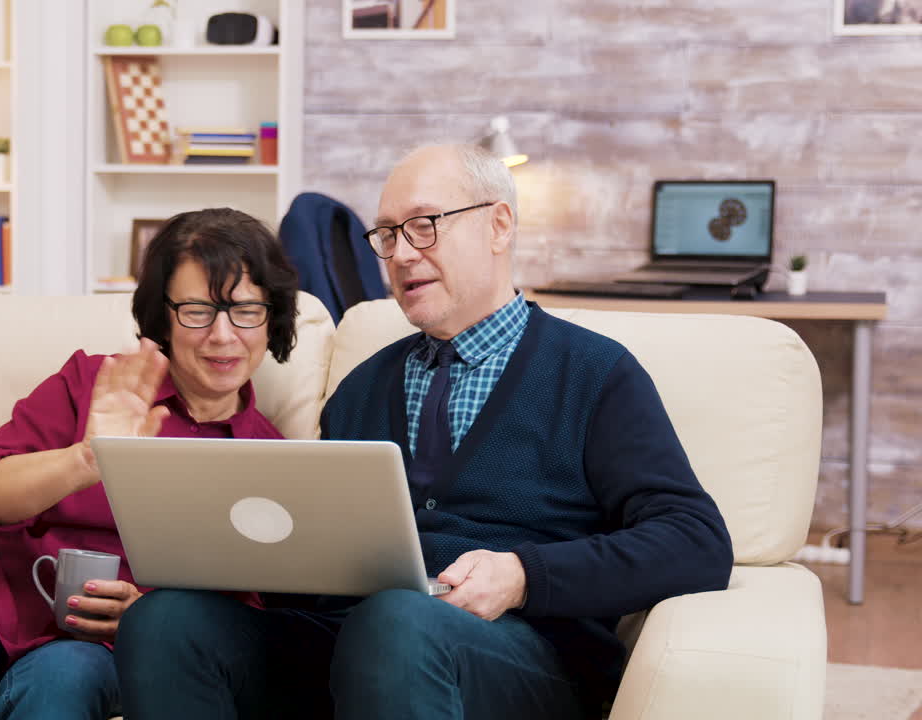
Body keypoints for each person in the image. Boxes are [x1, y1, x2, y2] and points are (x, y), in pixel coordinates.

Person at [113, 144, 734, 719]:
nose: (402, 253)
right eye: (387, 235)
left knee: (397, 623)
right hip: (357, 638)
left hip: (526, 656)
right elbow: (318, 569)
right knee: (165, 621)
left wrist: (522, 575)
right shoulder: (360, 389)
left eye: (424, 225)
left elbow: (695, 540)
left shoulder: (594, 374)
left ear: (499, 225)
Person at [0, 207, 300, 720]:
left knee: (60, 681)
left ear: (272, 317)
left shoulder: (267, 454)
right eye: (197, 310)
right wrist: (84, 459)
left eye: (245, 310)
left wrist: (149, 619)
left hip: (100, 645)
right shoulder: (90, 384)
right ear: (163, 316)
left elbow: (246, 619)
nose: (223, 335)